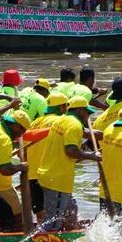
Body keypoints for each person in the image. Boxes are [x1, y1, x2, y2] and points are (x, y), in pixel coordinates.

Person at [37, 95, 102, 231]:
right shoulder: (74, 124)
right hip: (57, 179)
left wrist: (108, 134)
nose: (88, 117)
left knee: (71, 212)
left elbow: (85, 132)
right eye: (87, 113)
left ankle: (73, 235)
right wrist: (93, 156)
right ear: (80, 111)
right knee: (52, 223)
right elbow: (71, 150)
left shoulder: (63, 120)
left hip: (51, 175)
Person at [26, 92, 69, 218]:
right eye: (65, 106)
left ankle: (41, 235)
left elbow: (23, 152)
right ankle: (61, 234)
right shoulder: (62, 121)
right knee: (64, 213)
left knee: (40, 211)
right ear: (61, 108)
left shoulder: (34, 123)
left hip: (33, 174)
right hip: (52, 175)